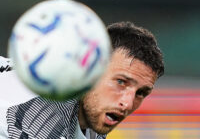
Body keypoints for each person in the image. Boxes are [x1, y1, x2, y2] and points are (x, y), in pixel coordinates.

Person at [0, 21, 164, 139]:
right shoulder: (45, 119)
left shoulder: (93, 115)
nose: (127, 104)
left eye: (141, 93)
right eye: (121, 82)